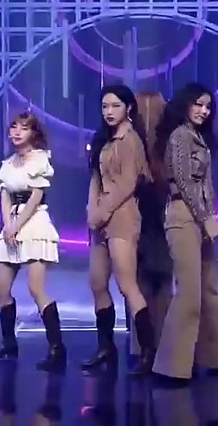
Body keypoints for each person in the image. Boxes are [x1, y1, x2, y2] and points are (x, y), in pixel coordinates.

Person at [151, 82, 218, 385]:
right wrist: (205, 217)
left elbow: (205, 185)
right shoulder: (180, 136)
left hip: (201, 217)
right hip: (183, 215)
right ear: (186, 104)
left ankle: (214, 359)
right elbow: (185, 183)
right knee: (189, 291)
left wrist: (210, 217)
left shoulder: (200, 137)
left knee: (209, 290)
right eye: (198, 104)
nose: (203, 110)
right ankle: (171, 366)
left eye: (208, 106)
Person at [82, 84, 156, 375]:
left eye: (115, 106)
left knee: (127, 285)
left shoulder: (131, 140)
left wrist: (102, 212)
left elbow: (127, 184)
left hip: (122, 215)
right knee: (97, 282)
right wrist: (92, 212)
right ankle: (105, 347)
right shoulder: (104, 139)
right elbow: (95, 179)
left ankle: (148, 351)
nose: (109, 112)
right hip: (100, 217)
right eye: (105, 106)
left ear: (128, 108)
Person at [0, 112, 66, 371]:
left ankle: (56, 348)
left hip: (34, 222)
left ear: (34, 133)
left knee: (36, 287)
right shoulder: (8, 163)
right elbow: (5, 196)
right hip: (11, 223)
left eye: (23, 128)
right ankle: (8, 345)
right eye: (14, 127)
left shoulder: (40, 159)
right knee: (1, 287)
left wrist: (17, 225)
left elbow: (35, 197)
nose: (17, 132)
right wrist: (7, 226)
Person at [128, 91, 173, 360]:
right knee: (141, 280)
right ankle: (145, 345)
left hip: (160, 217)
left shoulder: (169, 144)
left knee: (159, 280)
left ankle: (157, 344)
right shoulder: (130, 142)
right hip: (140, 217)